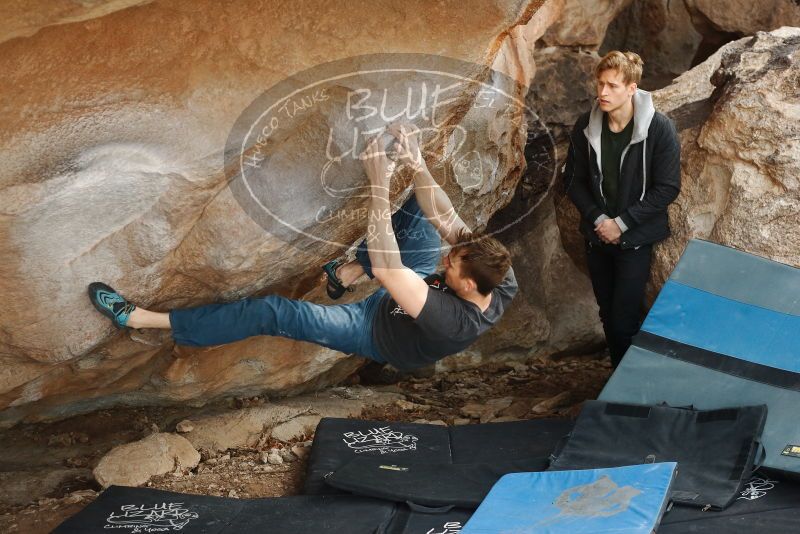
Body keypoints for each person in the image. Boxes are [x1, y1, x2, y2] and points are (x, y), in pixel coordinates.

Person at [88, 123, 517, 372]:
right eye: (454, 252)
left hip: (377, 331)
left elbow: (390, 269)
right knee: (418, 210)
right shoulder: (495, 267)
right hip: (411, 289)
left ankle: (143, 318)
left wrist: (379, 180)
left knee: (273, 313)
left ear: (466, 287)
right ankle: (347, 273)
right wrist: (418, 163)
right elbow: (443, 215)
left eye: (453, 264)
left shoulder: (452, 321)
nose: (448, 256)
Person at [564, 51, 680, 368]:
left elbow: (668, 187)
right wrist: (600, 220)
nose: (603, 92)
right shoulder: (585, 126)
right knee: (607, 316)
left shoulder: (659, 128)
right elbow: (573, 181)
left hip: (636, 239)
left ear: (631, 89)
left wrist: (623, 223)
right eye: (600, 84)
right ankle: (617, 385)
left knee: (623, 321)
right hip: (597, 236)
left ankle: (631, 392)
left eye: (612, 86)